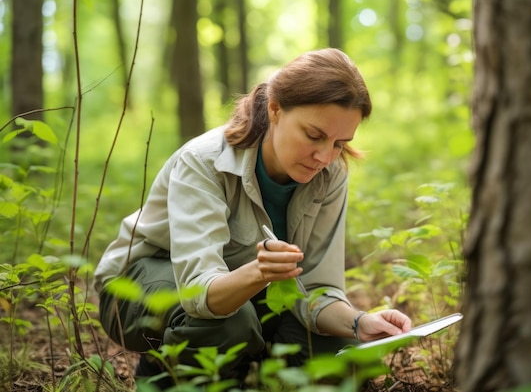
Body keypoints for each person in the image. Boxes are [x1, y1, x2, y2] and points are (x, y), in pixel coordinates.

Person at [94, 48, 412, 386]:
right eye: (314, 135)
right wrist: (261, 271)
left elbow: (317, 288)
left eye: (339, 143)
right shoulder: (204, 162)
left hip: (244, 295)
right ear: (275, 110)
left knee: (343, 357)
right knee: (231, 324)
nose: (324, 155)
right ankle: (163, 379)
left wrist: (358, 322)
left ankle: (249, 372)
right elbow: (197, 294)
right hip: (138, 286)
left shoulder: (330, 173)